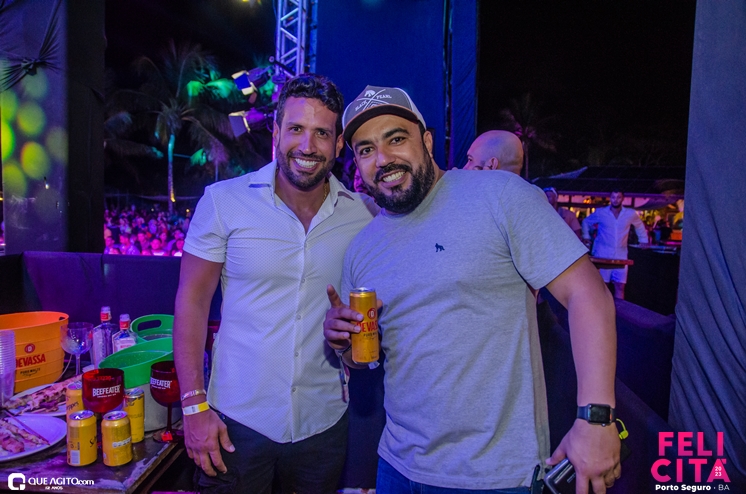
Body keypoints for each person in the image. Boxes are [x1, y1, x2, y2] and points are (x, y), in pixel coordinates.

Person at [324, 85, 621, 493]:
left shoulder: (500, 196)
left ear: (427, 141)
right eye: (366, 149)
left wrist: (596, 418)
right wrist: (343, 342)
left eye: (396, 139)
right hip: (397, 467)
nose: (384, 158)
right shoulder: (362, 248)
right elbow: (365, 357)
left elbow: (588, 294)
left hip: (494, 476)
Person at [173, 74, 378, 494]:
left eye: (322, 133)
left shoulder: (363, 215)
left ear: (339, 144)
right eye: (296, 129)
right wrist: (193, 407)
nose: (307, 145)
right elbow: (192, 302)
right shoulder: (224, 202)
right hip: (236, 424)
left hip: (323, 425)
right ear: (277, 133)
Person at [581, 191, 649, 300]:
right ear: (610, 198)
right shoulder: (601, 212)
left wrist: (643, 240)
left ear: (622, 198)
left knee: (620, 286)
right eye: (613, 197)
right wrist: (586, 237)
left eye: (618, 197)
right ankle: (602, 308)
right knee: (603, 286)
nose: (615, 200)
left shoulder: (629, 213)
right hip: (603, 253)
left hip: (621, 254)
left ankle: (619, 309)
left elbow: (639, 225)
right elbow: (586, 222)